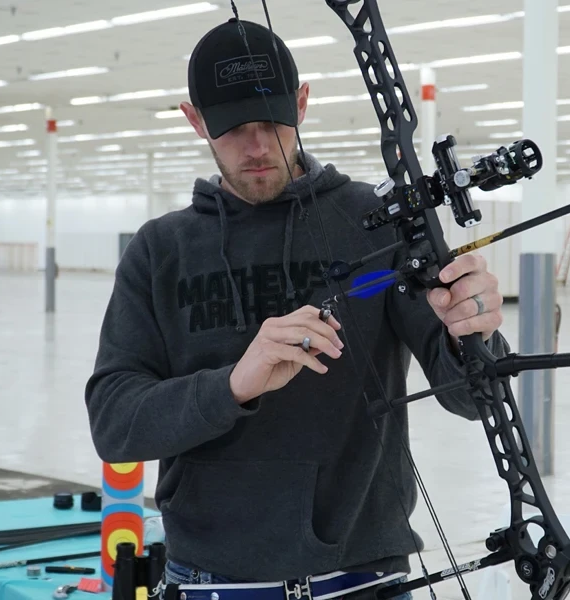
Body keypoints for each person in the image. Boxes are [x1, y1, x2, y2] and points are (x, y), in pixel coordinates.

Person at [84, 17, 509, 600]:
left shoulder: (378, 223)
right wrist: (234, 384)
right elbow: (115, 423)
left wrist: (474, 330)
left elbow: (472, 394)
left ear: (303, 104)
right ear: (195, 120)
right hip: (210, 581)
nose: (257, 146)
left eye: (272, 121)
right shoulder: (159, 250)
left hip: (364, 580)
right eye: (233, 128)